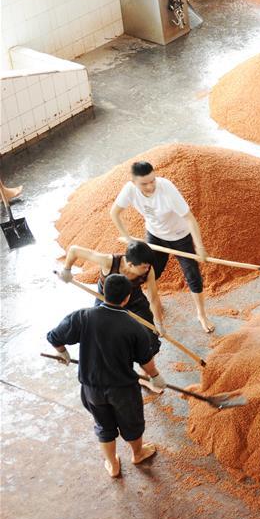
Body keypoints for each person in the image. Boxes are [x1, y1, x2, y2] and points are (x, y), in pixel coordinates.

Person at [44, 274, 165, 478]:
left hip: (91, 388)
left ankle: (112, 464)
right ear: (127, 298)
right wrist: (155, 376)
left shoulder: (82, 317)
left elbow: (54, 336)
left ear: (103, 293)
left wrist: (62, 351)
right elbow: (146, 360)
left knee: (103, 425)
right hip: (123, 390)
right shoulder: (134, 327)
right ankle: (138, 453)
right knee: (132, 423)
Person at [110, 161, 214, 333]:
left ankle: (201, 314)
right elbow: (114, 212)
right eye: (144, 183)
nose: (150, 186)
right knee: (148, 272)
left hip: (180, 236)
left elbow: (189, 218)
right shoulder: (129, 190)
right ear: (134, 182)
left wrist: (200, 247)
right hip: (154, 236)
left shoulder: (167, 189)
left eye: (153, 180)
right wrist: (128, 239)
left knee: (193, 276)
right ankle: (153, 306)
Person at [57, 240, 164, 354]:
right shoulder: (109, 262)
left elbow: (153, 298)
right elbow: (74, 250)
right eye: (144, 267)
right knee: (102, 333)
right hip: (107, 299)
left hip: (133, 298)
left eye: (148, 266)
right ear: (130, 264)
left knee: (149, 338)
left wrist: (158, 323)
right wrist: (66, 270)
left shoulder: (148, 271)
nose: (147, 269)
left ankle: (148, 369)